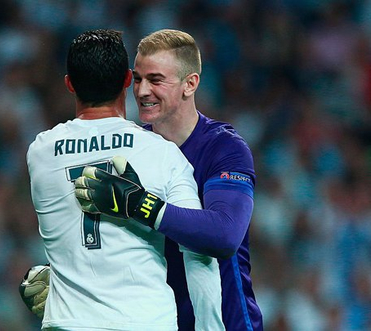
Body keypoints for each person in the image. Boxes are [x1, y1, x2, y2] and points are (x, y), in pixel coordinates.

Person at [23, 29, 223, 330]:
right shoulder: (162, 154)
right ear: (129, 80)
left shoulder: (40, 153)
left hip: (67, 322)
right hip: (144, 321)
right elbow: (200, 254)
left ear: (69, 84)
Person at [74, 29, 264, 331]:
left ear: (190, 84)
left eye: (156, 79)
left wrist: (140, 205)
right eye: (137, 79)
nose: (142, 91)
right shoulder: (131, 148)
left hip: (225, 323)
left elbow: (226, 234)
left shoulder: (223, 148)